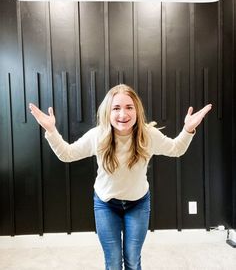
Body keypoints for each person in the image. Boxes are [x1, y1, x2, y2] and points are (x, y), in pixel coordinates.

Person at [29, 84, 212, 270]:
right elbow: (67, 154)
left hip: (138, 204)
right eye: (116, 108)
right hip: (106, 204)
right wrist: (51, 131)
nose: (123, 115)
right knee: (114, 262)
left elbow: (176, 149)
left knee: (133, 260)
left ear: (137, 111)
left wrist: (188, 129)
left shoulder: (148, 135)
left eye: (129, 107)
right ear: (108, 111)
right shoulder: (97, 135)